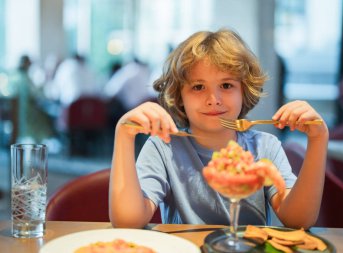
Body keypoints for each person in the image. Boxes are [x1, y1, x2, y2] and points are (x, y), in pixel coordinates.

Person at [109, 29, 329, 229]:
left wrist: (319, 140)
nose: (213, 100)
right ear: (179, 97)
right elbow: (128, 221)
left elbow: (299, 220)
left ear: (244, 91)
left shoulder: (265, 147)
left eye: (226, 85)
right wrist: (123, 134)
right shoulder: (163, 147)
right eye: (198, 87)